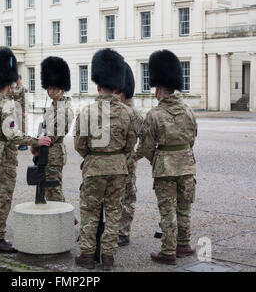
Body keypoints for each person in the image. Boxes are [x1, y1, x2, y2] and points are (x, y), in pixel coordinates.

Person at [0, 47, 51, 254]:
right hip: (3, 156)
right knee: (2, 198)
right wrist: (36, 140)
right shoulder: (7, 105)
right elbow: (12, 134)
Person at [74, 48, 136, 271]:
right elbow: (130, 144)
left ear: (98, 86)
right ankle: (108, 256)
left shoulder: (86, 112)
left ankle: (88, 255)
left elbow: (79, 144)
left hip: (94, 167)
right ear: (117, 87)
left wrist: (92, 157)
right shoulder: (127, 113)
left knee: (90, 212)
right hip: (118, 168)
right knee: (113, 213)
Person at [134, 50, 198, 265]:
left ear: (159, 90)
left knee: (167, 209)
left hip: (165, 168)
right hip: (187, 165)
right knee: (184, 207)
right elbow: (192, 137)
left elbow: (146, 146)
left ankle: (168, 251)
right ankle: (184, 244)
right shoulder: (189, 110)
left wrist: (156, 158)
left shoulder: (154, 114)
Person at [30, 56, 74, 203]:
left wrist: (36, 143)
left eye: (54, 88)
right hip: (45, 150)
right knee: (48, 187)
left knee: (53, 187)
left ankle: (64, 216)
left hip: (54, 153)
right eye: (49, 88)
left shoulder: (63, 109)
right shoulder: (52, 107)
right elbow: (43, 128)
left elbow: (54, 134)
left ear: (62, 89)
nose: (51, 91)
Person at [117, 62, 144, 247]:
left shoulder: (133, 113)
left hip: (125, 160)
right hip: (113, 160)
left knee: (126, 197)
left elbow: (148, 138)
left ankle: (123, 231)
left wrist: (134, 156)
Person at [7, 74, 28, 150]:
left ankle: (24, 143)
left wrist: (25, 111)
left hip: (21, 108)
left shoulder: (23, 88)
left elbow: (26, 100)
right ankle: (20, 142)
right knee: (18, 126)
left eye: (16, 79)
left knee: (23, 126)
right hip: (16, 107)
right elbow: (12, 93)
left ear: (19, 78)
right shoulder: (15, 87)